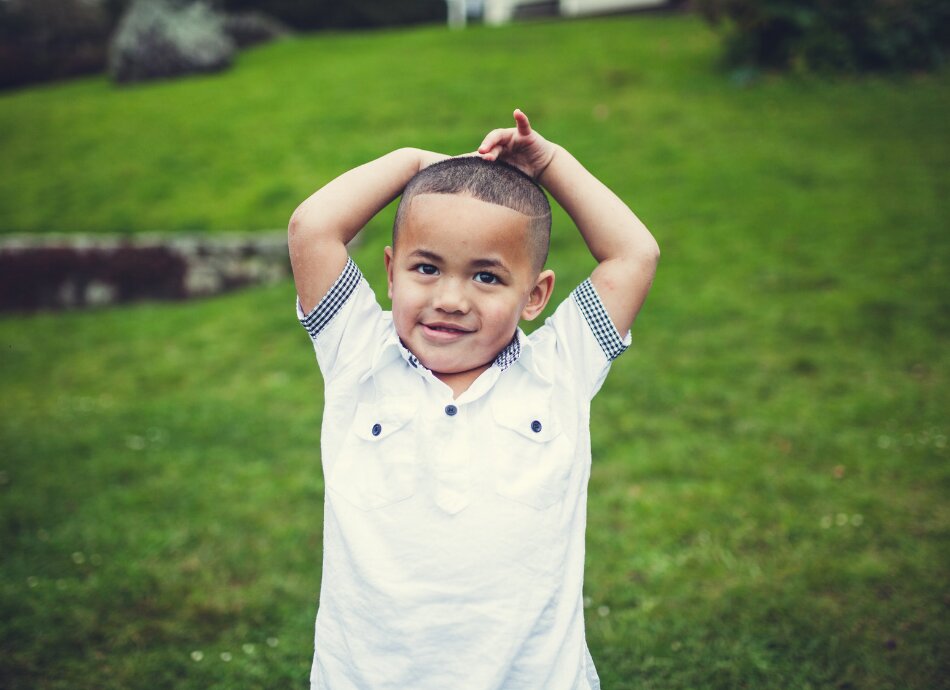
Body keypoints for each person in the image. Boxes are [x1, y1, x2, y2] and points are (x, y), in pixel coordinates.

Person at [288, 109, 659, 690]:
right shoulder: (357, 353)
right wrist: (414, 163)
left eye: (486, 277)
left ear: (534, 296)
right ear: (390, 273)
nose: (451, 299)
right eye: (427, 268)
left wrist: (551, 164)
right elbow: (312, 227)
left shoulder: (561, 368)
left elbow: (634, 255)